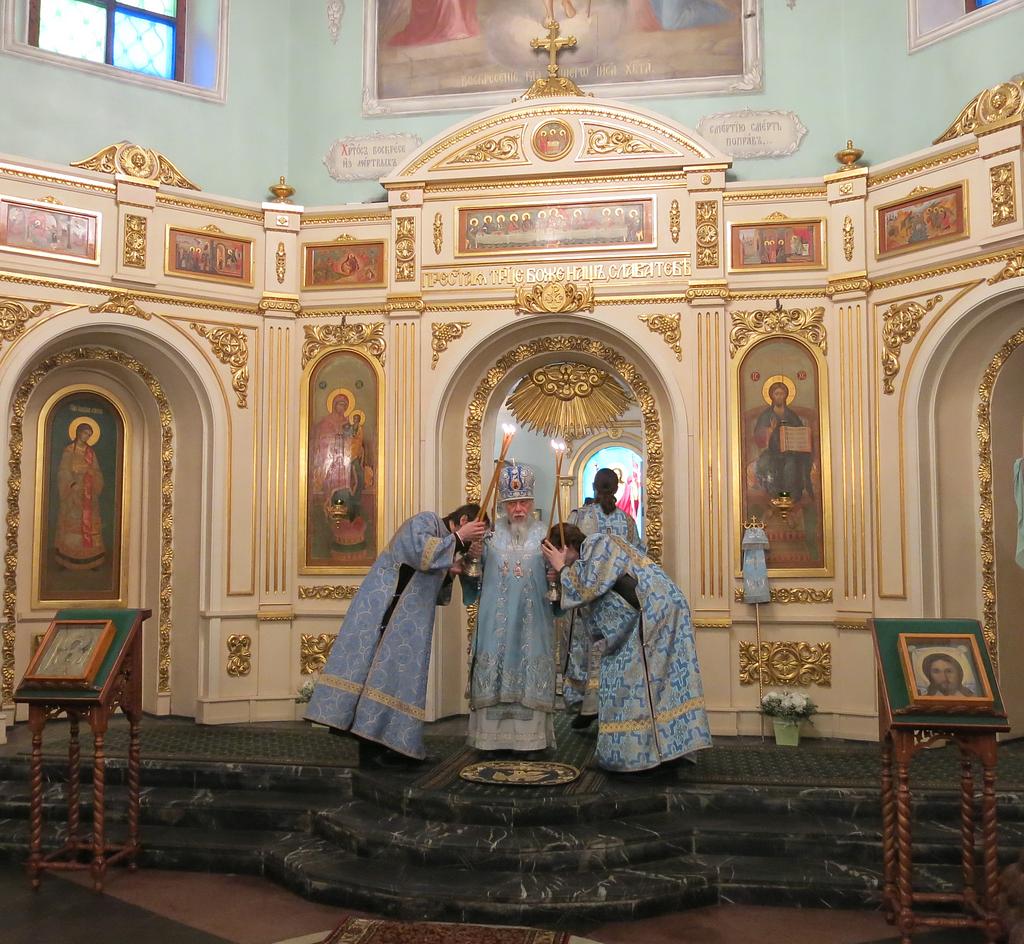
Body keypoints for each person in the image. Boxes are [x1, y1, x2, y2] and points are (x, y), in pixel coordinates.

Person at [305, 504, 488, 761]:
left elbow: (432, 585)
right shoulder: (426, 521)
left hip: (407, 623)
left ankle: (389, 741)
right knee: (374, 675)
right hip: (386, 611)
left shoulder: (444, 539)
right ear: (463, 520)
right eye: (473, 534)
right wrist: (459, 539)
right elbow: (421, 555)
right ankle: (369, 748)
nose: (470, 542)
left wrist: (451, 571)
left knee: (394, 680)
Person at [542, 525, 711, 772]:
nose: (552, 564)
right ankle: (661, 754)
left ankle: (639, 758)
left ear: (565, 547)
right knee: (657, 685)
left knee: (634, 682)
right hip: (654, 613)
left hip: (654, 613)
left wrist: (561, 568)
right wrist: (562, 575)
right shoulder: (587, 560)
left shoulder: (598, 543)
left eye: (553, 556)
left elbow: (585, 589)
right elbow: (594, 602)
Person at [463, 464, 557, 753]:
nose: (518, 509)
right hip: (496, 625)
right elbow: (472, 580)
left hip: (532, 624)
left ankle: (531, 743)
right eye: (512, 503)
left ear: (532, 502)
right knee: (494, 673)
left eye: (524, 502)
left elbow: (557, 578)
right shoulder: (489, 537)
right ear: (503, 505)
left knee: (530, 674)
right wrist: (472, 558)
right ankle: (490, 741)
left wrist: (555, 575)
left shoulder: (545, 535)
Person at [563, 468, 642, 729]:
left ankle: (585, 706)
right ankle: (609, 708)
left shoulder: (580, 516)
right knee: (611, 652)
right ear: (617, 488)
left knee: (585, 650)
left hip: (587, 598)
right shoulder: (628, 522)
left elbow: (567, 550)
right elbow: (638, 557)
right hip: (618, 602)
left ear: (594, 487)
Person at [55, 421, 105, 570]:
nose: (87, 436)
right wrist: (72, 484)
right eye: (85, 433)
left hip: (89, 492)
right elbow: (63, 471)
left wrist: (92, 475)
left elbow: (97, 471)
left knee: (90, 523)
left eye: (89, 434)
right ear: (78, 433)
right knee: (73, 523)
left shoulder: (91, 452)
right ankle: (67, 558)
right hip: (74, 492)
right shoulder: (69, 450)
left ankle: (92, 559)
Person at [753, 380, 812, 502]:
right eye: (777, 394)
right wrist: (770, 430)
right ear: (772, 396)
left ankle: (789, 498)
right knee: (767, 464)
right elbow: (758, 437)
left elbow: (801, 432)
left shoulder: (791, 415)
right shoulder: (766, 415)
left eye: (782, 394)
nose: (779, 397)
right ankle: (775, 497)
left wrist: (798, 436)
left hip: (790, 452)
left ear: (786, 396)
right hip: (772, 451)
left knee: (791, 465)